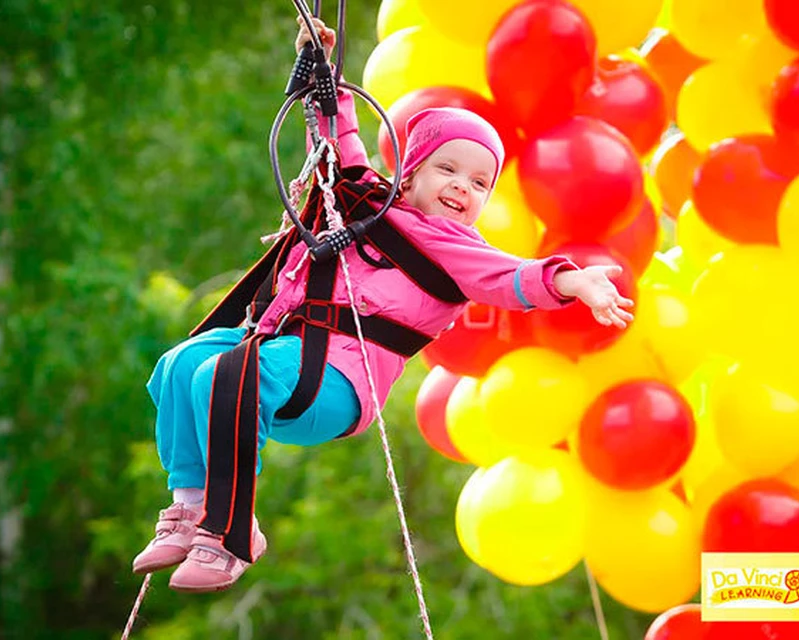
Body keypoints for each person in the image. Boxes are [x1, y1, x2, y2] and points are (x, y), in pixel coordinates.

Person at [131, 17, 635, 593]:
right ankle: (191, 505)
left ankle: (233, 533)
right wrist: (324, 71)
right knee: (180, 366)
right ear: (411, 172)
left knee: (230, 373)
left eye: (479, 183)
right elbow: (339, 140)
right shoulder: (365, 199)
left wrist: (572, 283)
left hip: (336, 386)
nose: (462, 189)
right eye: (448, 169)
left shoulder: (459, 250)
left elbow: (512, 278)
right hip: (286, 352)